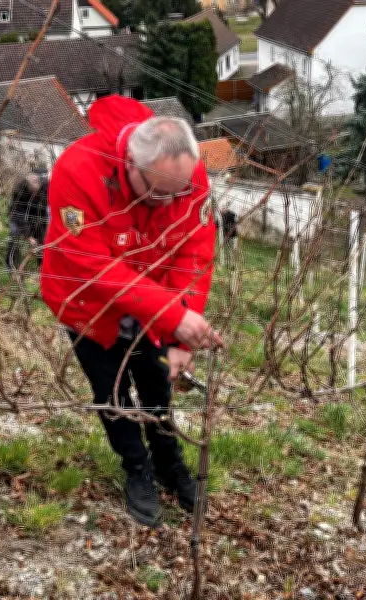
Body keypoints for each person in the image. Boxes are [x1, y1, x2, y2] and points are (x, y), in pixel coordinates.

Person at [40, 95, 223, 527]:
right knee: (112, 392)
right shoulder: (78, 169)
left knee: (157, 385)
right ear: (129, 164)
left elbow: (193, 253)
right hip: (86, 303)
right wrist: (171, 314)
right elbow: (90, 264)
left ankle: (168, 460)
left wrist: (180, 336)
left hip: (153, 306)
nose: (165, 203)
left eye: (174, 194)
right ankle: (136, 468)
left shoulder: (186, 175)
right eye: (155, 193)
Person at [6, 167, 49, 272]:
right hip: (18, 214)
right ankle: (11, 267)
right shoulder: (19, 188)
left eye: (37, 191)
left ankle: (43, 267)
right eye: (33, 191)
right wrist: (28, 235)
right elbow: (19, 213)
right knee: (15, 235)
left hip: (38, 214)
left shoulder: (46, 185)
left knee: (42, 239)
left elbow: (44, 212)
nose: (35, 193)